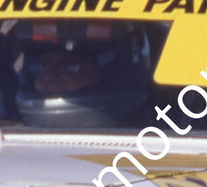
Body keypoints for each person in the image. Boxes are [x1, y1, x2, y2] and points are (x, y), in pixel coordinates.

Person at [12, 20, 152, 128]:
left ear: (104, 76)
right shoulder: (3, 134)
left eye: (67, 66)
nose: (51, 74)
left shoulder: (155, 143)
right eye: (43, 66)